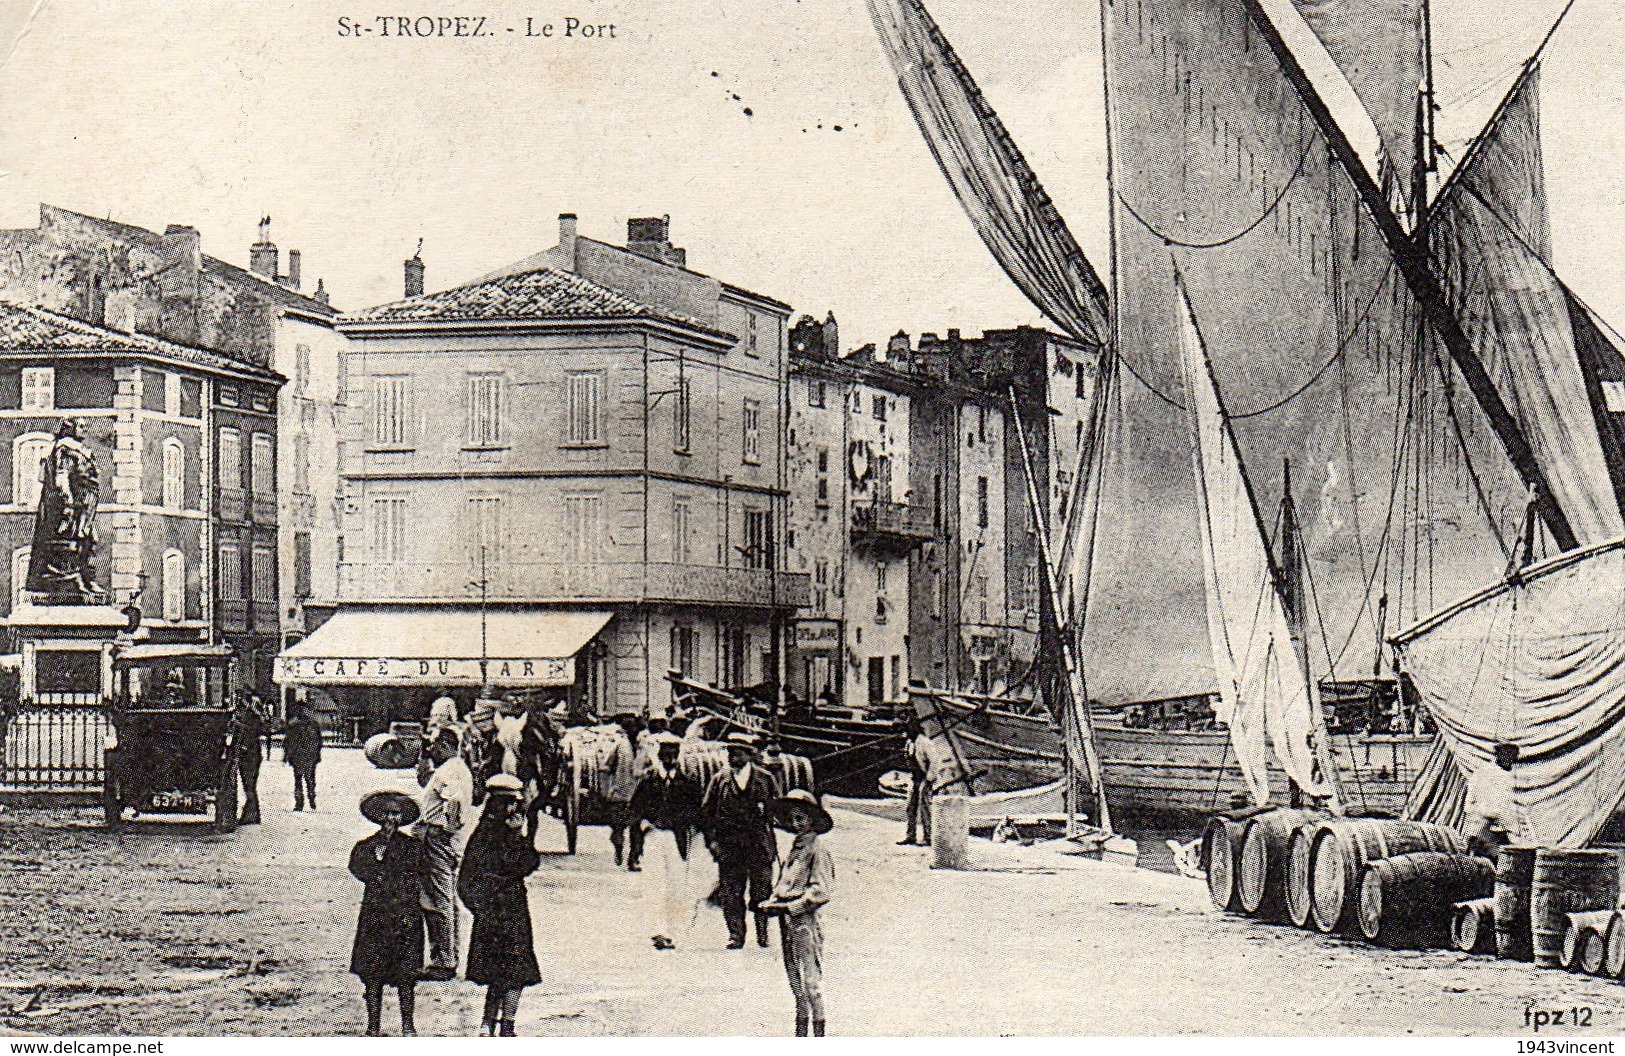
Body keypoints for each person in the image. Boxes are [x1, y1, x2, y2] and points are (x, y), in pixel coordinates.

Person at [458, 774, 541, 1036]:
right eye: (508, 804)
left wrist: (519, 836)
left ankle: (502, 1023)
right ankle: (495, 1022)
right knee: (506, 968)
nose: (513, 810)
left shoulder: (492, 835)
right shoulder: (488, 837)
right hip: (502, 909)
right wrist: (480, 906)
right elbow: (468, 879)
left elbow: (528, 864)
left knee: (511, 969)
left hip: (510, 908)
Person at [348, 789, 427, 1037]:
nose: (391, 820)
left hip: (405, 914)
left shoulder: (412, 847)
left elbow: (417, 873)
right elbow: (358, 869)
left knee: (406, 974)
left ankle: (408, 1024)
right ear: (379, 817)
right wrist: (377, 863)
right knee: (373, 973)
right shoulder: (366, 846)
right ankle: (373, 1025)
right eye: (387, 815)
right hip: (376, 915)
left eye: (396, 814)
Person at [759, 788, 836, 1038]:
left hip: (804, 920)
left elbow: (820, 891)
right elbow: (784, 884)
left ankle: (819, 1036)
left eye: (801, 818)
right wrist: (772, 902)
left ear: (812, 820)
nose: (796, 824)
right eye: (792, 819)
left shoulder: (817, 849)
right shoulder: (796, 848)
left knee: (811, 981)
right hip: (786, 921)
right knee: (795, 980)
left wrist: (789, 907)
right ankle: (801, 1034)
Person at [700, 732, 781, 949]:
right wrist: (712, 843)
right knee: (731, 893)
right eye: (729, 752)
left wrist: (767, 813)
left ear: (748, 755)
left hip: (759, 846)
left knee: (762, 891)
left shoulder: (765, 779)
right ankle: (736, 935)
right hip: (730, 846)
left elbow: (778, 810)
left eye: (736, 753)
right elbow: (706, 814)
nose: (731, 757)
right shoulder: (720, 780)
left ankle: (762, 933)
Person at [630, 732, 704, 950]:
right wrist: (645, 825)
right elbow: (634, 810)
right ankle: (658, 931)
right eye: (666, 753)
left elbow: (697, 811)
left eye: (674, 753)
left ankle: (672, 931)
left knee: (676, 885)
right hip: (653, 837)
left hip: (677, 838)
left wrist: (687, 825)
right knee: (655, 883)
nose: (670, 757)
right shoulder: (649, 781)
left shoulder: (688, 783)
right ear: (660, 754)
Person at [418, 727, 474, 980]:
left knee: (437, 899)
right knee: (446, 898)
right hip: (445, 839)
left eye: (436, 745)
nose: (433, 750)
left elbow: (455, 800)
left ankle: (444, 960)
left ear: (445, 745)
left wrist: (447, 828)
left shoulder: (448, 771)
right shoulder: (459, 768)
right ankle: (448, 955)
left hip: (438, 838)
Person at [602, 714, 644, 871]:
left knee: (636, 829)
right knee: (618, 828)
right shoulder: (620, 745)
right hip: (621, 792)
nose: (634, 730)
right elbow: (607, 764)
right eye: (631, 728)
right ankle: (619, 849)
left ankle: (633, 859)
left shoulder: (644, 745)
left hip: (639, 793)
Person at [1465, 741, 1520, 859]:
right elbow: (1496, 809)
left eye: (1512, 758)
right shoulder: (1488, 773)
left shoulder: (1502, 775)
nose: (1510, 761)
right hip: (1484, 826)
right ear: (1499, 755)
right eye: (1507, 757)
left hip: (1485, 826)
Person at [229, 694, 267, 824]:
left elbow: (247, 733)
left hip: (250, 757)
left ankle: (252, 816)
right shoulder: (254, 719)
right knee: (249, 786)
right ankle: (252, 815)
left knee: (249, 786)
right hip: (252, 756)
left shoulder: (252, 719)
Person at [284, 705, 324, 811]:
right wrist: (317, 755)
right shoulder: (313, 725)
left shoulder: (293, 725)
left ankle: (299, 803)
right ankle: (311, 799)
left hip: (299, 756)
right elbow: (319, 741)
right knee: (310, 778)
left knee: (298, 779)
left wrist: (287, 755)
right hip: (309, 756)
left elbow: (287, 742)